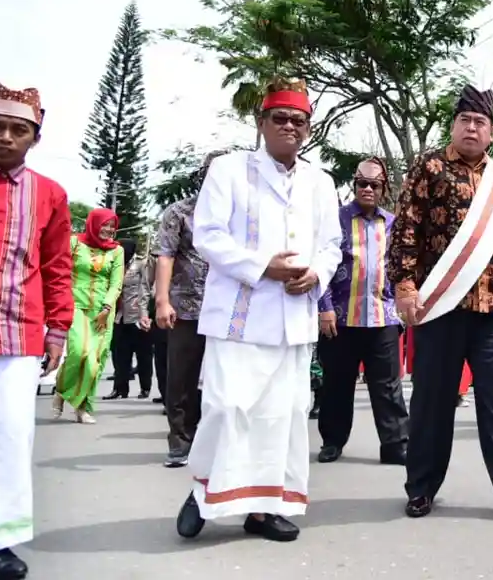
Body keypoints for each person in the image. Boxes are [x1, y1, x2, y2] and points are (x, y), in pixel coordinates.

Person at [174, 79, 341, 544]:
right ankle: (203, 493)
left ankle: (266, 509)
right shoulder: (229, 170)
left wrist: (318, 276)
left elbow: (331, 244)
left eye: (298, 120)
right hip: (239, 316)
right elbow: (207, 235)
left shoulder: (320, 181)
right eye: (280, 118)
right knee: (228, 408)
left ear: (308, 128)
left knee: (285, 414)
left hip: (293, 319)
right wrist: (261, 267)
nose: (289, 126)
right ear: (261, 122)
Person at [388, 84, 493, 522]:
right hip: (439, 308)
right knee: (432, 402)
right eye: (465, 121)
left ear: (491, 132)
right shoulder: (428, 167)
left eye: (480, 123)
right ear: (454, 125)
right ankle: (421, 488)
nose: (472, 128)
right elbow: (405, 231)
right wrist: (405, 288)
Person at [0, 83, 73, 580]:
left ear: (34, 138)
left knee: (4, 441)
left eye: (19, 129)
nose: (6, 137)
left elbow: (56, 267)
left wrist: (58, 330)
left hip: (14, 336)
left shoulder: (49, 194)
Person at [315, 156, 409, 465]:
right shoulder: (336, 220)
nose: (368, 189)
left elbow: (401, 269)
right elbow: (323, 266)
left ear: (384, 188)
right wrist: (324, 307)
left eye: (374, 184)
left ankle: (396, 445)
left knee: (388, 387)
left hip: (383, 317)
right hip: (340, 319)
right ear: (354, 185)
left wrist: (402, 310)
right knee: (336, 384)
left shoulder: (393, 224)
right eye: (362, 184)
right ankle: (332, 441)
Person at [155, 149, 227, 468]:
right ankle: (180, 441)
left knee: (224, 380)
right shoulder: (180, 212)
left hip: (229, 310)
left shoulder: (240, 216)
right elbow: (165, 255)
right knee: (181, 377)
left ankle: (220, 443)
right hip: (186, 307)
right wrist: (162, 300)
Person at [53, 208, 125, 424]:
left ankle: (83, 407)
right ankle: (61, 391)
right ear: (94, 224)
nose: (109, 230)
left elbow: (116, 283)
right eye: (105, 224)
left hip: (103, 311)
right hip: (75, 306)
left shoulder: (117, 251)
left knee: (95, 361)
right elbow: (61, 271)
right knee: (79, 353)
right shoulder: (74, 243)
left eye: (112, 226)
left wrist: (105, 308)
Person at [106, 239, 154, 401]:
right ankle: (119, 389)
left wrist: (144, 310)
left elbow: (147, 286)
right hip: (120, 316)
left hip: (138, 316)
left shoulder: (141, 264)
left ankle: (145, 388)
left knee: (143, 355)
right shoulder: (116, 264)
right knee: (120, 356)